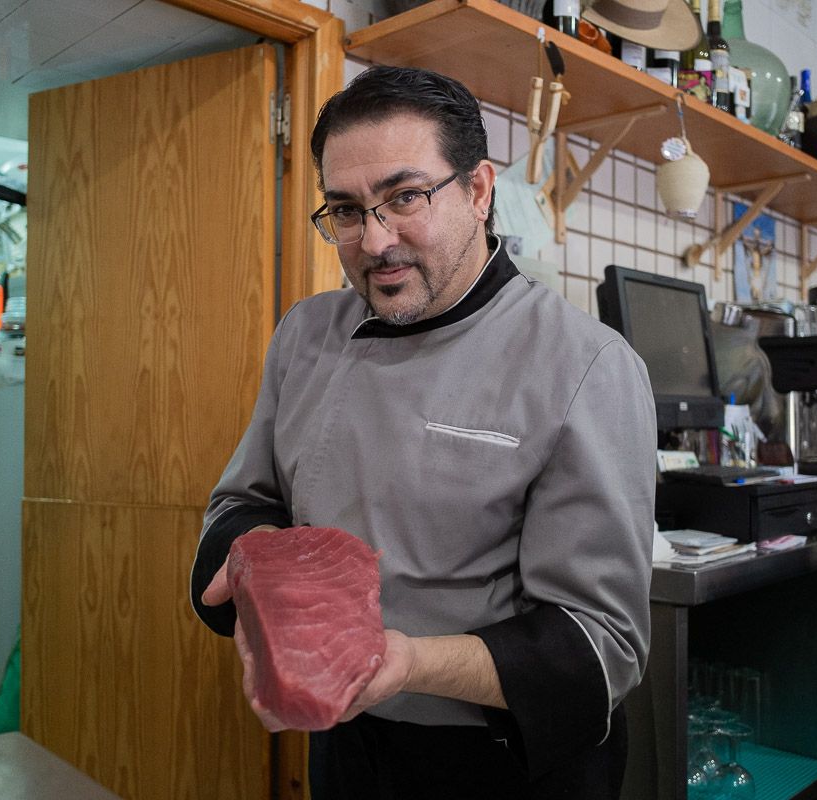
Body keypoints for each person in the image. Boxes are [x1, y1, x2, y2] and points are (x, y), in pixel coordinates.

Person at [190, 65, 656, 799]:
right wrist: (256, 566)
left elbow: (600, 644)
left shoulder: (585, 363)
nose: (375, 241)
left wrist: (407, 662)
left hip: (505, 764)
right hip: (347, 749)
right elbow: (240, 504)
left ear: (477, 191)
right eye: (345, 210)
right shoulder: (307, 335)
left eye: (404, 198)